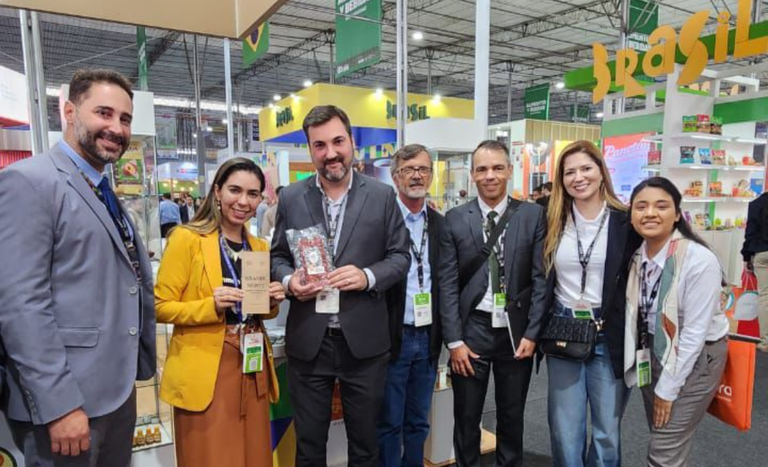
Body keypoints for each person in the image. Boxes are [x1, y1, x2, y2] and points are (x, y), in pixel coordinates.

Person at [0, 68, 156, 466]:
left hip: (113, 394)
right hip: (65, 406)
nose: (116, 128)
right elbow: (21, 305)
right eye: (103, 113)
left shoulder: (102, 190)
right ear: (69, 112)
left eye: (125, 119)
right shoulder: (30, 182)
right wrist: (59, 405)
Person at [270, 105, 410, 467]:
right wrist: (288, 280)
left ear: (351, 143)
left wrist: (367, 276)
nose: (330, 153)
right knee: (309, 446)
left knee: (365, 446)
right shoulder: (292, 197)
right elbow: (277, 256)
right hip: (309, 342)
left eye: (337, 142)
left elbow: (400, 257)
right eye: (319, 145)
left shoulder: (381, 196)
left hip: (364, 344)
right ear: (310, 149)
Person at [155, 157, 285, 467]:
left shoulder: (258, 247)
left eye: (252, 194)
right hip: (206, 368)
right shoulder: (187, 239)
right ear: (217, 191)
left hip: (251, 365)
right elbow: (159, 306)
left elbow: (255, 310)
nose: (243, 202)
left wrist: (270, 301)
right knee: (211, 456)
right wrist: (209, 306)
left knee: (254, 455)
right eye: (234, 190)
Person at [439, 140, 547, 467]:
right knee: (466, 416)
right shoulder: (455, 218)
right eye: (482, 169)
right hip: (472, 330)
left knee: (512, 416)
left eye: (498, 168)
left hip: (516, 333)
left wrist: (532, 333)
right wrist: (454, 341)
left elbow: (541, 278)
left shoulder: (532, 215)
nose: (490, 176)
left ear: (510, 170)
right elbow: (447, 283)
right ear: (472, 174)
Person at [541, 141, 641, 467]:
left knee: (607, 432)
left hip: (610, 332)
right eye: (569, 172)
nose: (578, 177)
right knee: (564, 429)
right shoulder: (551, 219)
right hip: (563, 326)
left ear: (601, 172)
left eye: (586, 168)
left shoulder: (626, 222)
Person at [624, 177, 729, 467]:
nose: (650, 213)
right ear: (631, 215)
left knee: (663, 448)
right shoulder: (637, 257)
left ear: (677, 214)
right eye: (641, 207)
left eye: (661, 206)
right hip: (653, 350)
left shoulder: (699, 260)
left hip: (695, 358)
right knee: (662, 433)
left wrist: (668, 389)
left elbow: (694, 334)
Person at [377, 144, 444, 467]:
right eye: (408, 170)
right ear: (395, 177)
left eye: (423, 169)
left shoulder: (441, 224)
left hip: (428, 336)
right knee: (389, 422)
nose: (417, 175)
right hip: (393, 335)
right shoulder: (381, 222)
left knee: (418, 421)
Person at [741, 191, 768, 352]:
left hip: (762, 253)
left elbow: (749, 233)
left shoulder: (756, 204)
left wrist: (746, 257)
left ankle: (766, 341)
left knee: (765, 296)